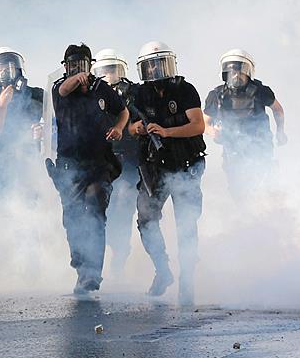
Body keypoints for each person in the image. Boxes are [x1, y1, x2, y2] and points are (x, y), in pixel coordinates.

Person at [128, 41, 206, 305]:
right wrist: (138, 128)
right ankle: (162, 270)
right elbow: (128, 127)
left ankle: (188, 279)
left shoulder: (185, 90)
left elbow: (198, 126)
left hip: (185, 164)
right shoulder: (139, 94)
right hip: (155, 168)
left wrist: (167, 131)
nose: (156, 70)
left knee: (187, 223)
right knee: (146, 219)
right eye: (150, 65)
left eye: (160, 64)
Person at [47, 43, 128, 295]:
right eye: (72, 64)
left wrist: (119, 128)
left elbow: (122, 111)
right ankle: (81, 265)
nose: (77, 68)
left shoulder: (101, 89)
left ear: (90, 65)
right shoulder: (60, 88)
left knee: (95, 212)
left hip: (99, 164)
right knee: (72, 218)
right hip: (70, 166)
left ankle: (93, 273)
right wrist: (75, 78)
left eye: (81, 64)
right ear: (66, 66)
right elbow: (63, 89)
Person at [204, 49, 286, 195]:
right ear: (225, 73)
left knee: (263, 184)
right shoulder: (216, 95)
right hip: (232, 148)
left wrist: (280, 131)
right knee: (237, 189)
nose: (236, 75)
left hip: (260, 145)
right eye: (232, 71)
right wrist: (213, 132)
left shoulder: (260, 91)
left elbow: (278, 110)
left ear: (248, 72)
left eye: (240, 71)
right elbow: (204, 123)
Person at [92, 48, 139, 279]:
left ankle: (121, 255)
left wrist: (132, 128)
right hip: (102, 162)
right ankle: (106, 254)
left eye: (113, 70)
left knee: (123, 206)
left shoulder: (133, 94)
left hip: (128, 163)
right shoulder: (92, 97)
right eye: (105, 71)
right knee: (102, 210)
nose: (109, 76)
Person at [0, 47, 44, 189]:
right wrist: (2, 105)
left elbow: (53, 125)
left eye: (9, 65)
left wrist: (42, 131)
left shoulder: (37, 94)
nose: (5, 71)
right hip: (1, 163)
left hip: (30, 162)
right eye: (0, 67)